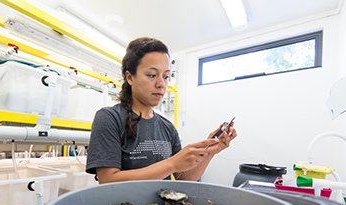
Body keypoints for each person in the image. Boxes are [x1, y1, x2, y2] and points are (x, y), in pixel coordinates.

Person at [86, 37, 237, 184]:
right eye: (152, 75)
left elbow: (183, 179)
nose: (161, 84)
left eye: (166, 76)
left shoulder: (167, 127)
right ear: (130, 77)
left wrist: (209, 152)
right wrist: (172, 164)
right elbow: (108, 180)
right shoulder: (109, 118)